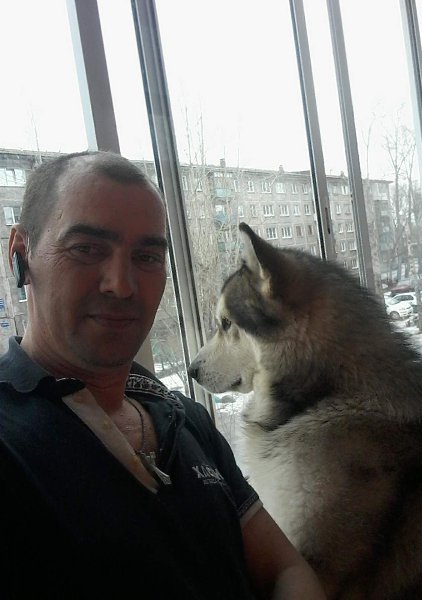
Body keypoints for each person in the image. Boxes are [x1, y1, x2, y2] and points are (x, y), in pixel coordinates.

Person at [0, 150, 326, 599]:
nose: (122, 285)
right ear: (21, 254)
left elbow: (284, 568)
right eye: (87, 249)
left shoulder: (183, 418)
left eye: (147, 256)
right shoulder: (10, 441)